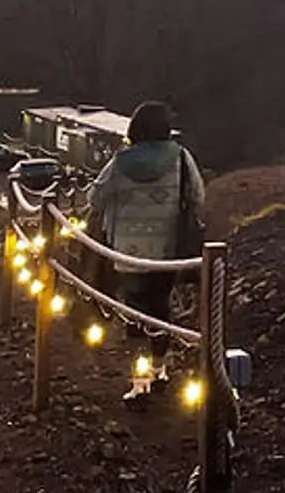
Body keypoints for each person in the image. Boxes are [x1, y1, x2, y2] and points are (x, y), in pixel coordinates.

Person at [83, 100, 205, 402]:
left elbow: (94, 199)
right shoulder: (181, 158)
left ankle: (140, 381)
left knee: (135, 313)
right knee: (161, 308)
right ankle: (161, 368)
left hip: (128, 252)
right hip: (168, 249)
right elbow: (198, 196)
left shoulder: (120, 162)